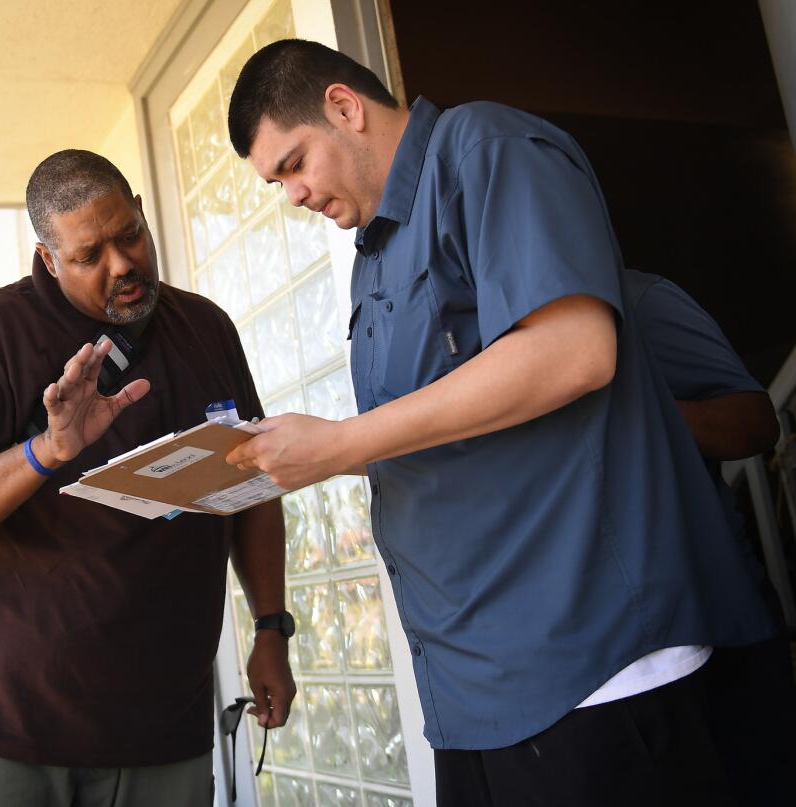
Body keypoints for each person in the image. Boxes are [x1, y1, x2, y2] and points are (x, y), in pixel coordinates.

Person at [224, 39, 783, 806]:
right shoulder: (373, 256)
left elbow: (575, 350)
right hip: (472, 689)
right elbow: (443, 430)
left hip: (589, 666)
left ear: (344, 108)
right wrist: (317, 452)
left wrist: (342, 442)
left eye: (293, 163)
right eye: (274, 181)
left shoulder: (486, 147)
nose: (291, 194)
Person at [0, 150, 295, 807]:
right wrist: (46, 451)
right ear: (49, 259)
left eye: (129, 235)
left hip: (160, 738)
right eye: (89, 255)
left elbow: (251, 484)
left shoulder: (206, 330)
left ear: (141, 212)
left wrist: (271, 627)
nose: (122, 264)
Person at [625, 268, 794, 807]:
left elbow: (757, 420)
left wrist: (637, 415)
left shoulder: (642, 302)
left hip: (722, 621)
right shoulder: (487, 344)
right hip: (622, 661)